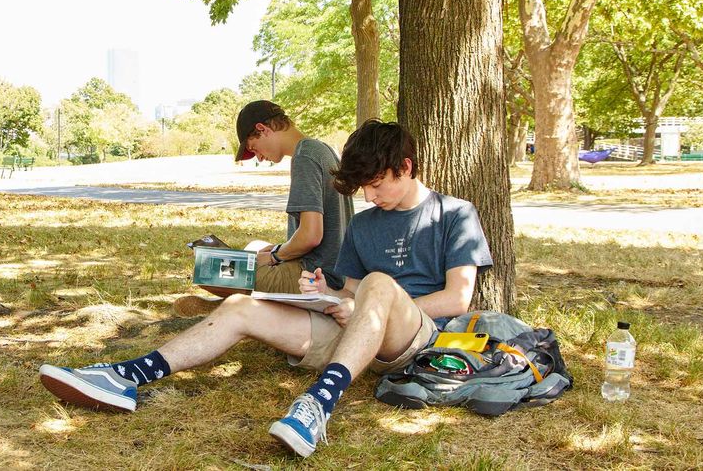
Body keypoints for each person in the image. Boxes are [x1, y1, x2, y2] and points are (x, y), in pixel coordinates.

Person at [38, 120, 493, 458]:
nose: (371, 197)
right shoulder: (364, 223)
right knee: (239, 304)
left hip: (415, 340)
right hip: (356, 338)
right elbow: (351, 290)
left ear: (405, 167)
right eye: (365, 190)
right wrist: (329, 296)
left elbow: (457, 298)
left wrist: (371, 303)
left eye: (376, 185)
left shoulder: (455, 214)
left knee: (379, 283)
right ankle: (127, 377)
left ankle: (316, 405)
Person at [173, 100, 354, 316]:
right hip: (333, 269)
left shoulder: (304, 156)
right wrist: (279, 249)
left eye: (253, 148)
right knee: (254, 247)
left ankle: (230, 307)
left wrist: (275, 256)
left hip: (314, 277)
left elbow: (311, 236)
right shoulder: (323, 149)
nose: (259, 157)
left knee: (210, 270)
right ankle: (243, 302)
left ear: (262, 129)